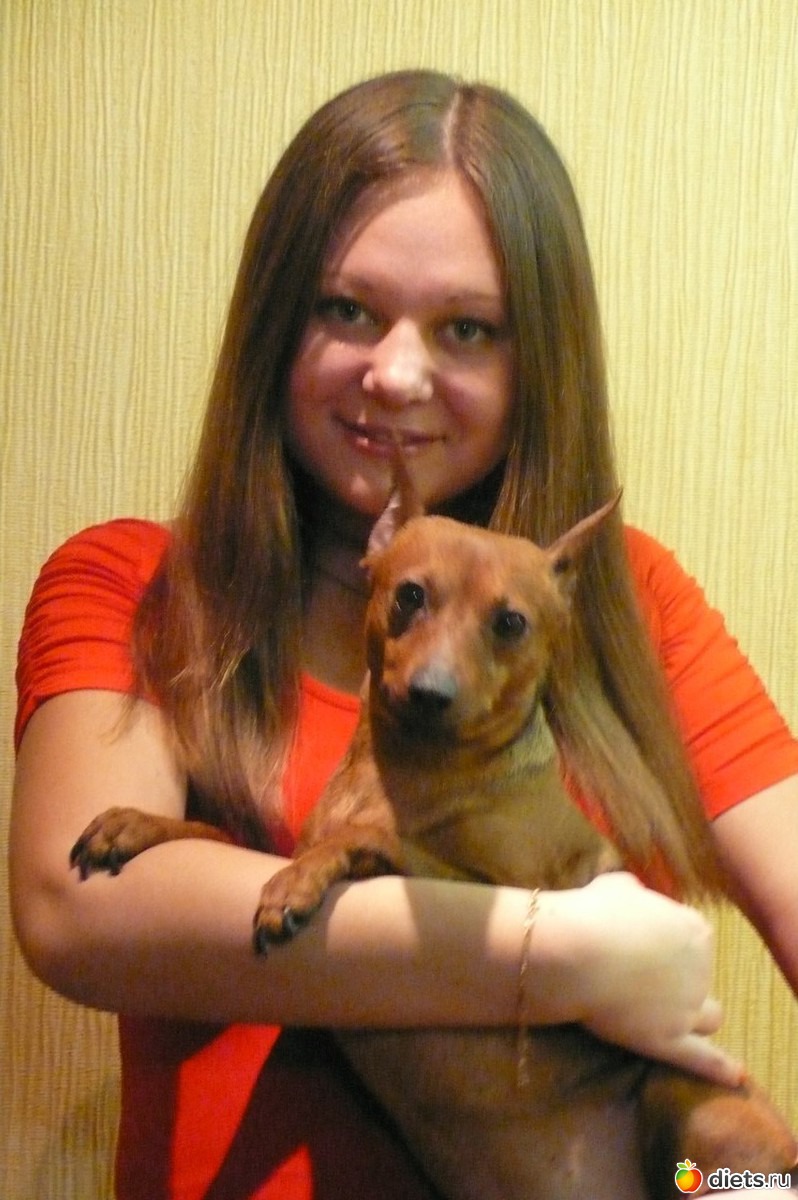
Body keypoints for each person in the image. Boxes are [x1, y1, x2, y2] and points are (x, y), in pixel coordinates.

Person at [10, 69, 797, 1200]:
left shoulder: (628, 600)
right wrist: (562, 954)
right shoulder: (140, 588)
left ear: (536, 360)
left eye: (466, 327)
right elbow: (78, 913)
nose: (396, 372)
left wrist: (748, 1195)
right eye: (347, 309)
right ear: (275, 319)